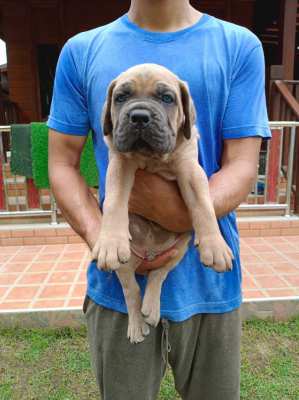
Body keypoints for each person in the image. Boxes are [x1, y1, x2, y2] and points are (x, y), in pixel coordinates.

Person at [47, 1, 271, 399]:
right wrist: (104, 238)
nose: (140, 114)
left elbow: (241, 166)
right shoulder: (82, 49)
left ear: (185, 110)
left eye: (164, 100)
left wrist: (189, 224)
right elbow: (62, 163)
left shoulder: (240, 45)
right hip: (119, 284)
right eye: (125, 101)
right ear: (110, 111)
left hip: (209, 279)